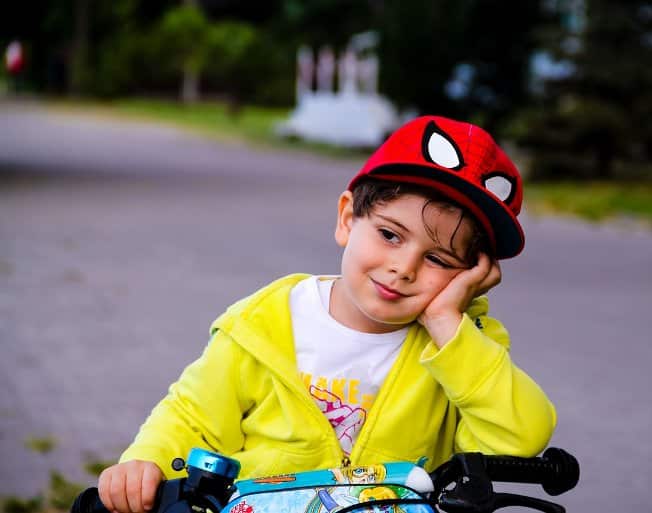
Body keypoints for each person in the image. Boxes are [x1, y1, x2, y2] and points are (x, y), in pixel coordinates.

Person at [97, 115, 557, 513]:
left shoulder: (461, 345)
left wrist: (445, 322)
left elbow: (518, 439)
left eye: (438, 260)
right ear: (346, 218)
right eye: (390, 235)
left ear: (470, 276)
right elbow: (192, 416)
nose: (404, 268)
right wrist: (147, 462)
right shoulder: (265, 323)